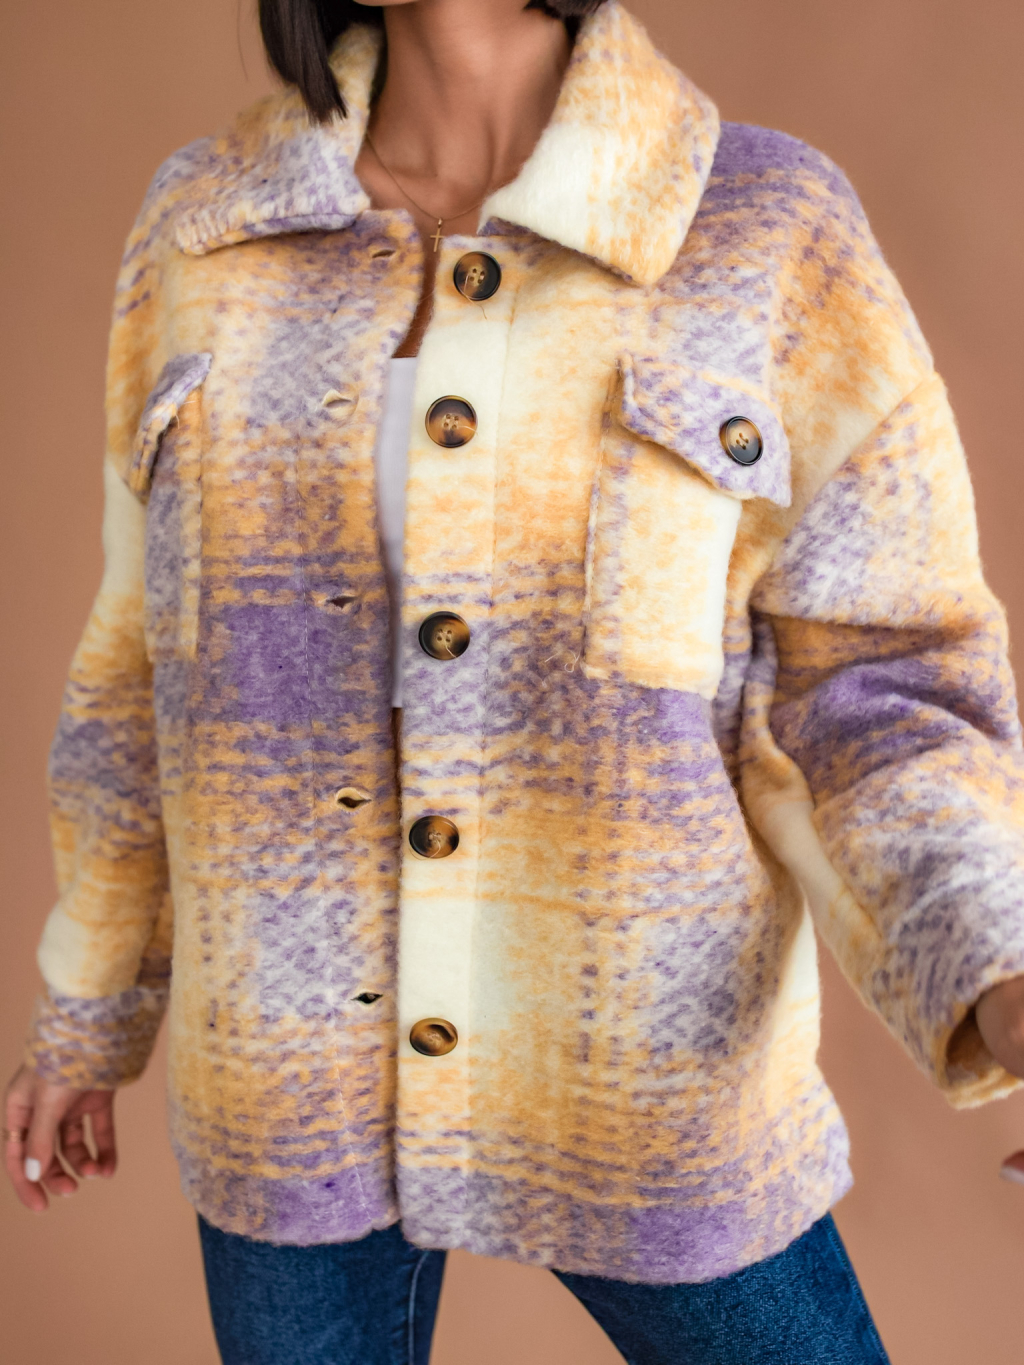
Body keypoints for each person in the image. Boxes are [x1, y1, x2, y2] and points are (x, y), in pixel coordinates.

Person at [6, 1, 1024, 1361]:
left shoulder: (764, 227)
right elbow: (142, 663)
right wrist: (89, 1007)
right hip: (281, 1072)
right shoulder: (204, 227)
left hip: (648, 1070)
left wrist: (999, 964)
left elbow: (877, 681)